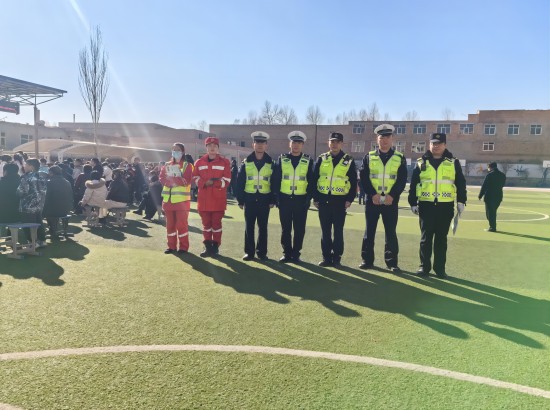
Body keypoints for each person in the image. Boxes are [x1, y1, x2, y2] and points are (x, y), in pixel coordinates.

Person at [408, 132, 467, 279]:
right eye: (433, 143)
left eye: (439, 144)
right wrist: (412, 202)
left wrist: (461, 201)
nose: (436, 146)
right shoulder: (421, 162)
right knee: (425, 239)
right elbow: (414, 183)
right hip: (426, 206)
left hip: (445, 207)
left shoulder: (453, 162)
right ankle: (424, 267)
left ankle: (440, 269)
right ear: (429, 145)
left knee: (441, 239)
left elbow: (461, 182)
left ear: (445, 145)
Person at [359, 124, 408, 272]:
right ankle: (367, 260)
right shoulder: (369, 157)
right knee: (369, 232)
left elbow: (402, 179)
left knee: (390, 233)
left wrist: (392, 195)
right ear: (377, 139)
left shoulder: (399, 157)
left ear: (392, 139)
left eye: (387, 137)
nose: (384, 140)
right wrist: (372, 194)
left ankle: (392, 263)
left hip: (390, 202)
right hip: (372, 201)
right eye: (382, 137)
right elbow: (364, 178)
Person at [312, 132, 357, 267]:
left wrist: (350, 199)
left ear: (342, 144)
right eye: (332, 142)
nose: (334, 144)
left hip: (340, 202)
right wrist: (315, 198)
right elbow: (314, 179)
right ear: (328, 143)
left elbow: (353, 181)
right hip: (323, 201)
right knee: (325, 232)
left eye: (337, 142)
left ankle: (337, 258)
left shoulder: (348, 160)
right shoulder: (322, 158)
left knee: (338, 231)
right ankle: (326, 258)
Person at [271, 130, 314, 263]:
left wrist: (308, 198)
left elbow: (312, 181)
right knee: (286, 229)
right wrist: (276, 197)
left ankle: (296, 254)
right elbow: (276, 179)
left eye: (299, 143)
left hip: (301, 200)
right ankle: (286, 253)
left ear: (302, 145)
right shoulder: (282, 159)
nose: (296, 145)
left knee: (299, 229)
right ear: (290, 144)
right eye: (294, 142)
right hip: (285, 199)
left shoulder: (308, 160)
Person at [236, 131, 276, 261]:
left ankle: (262, 253)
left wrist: (273, 199)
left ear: (266, 145)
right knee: (249, 227)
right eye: (257, 142)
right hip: (250, 198)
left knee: (263, 227)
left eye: (262, 142)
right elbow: (240, 182)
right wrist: (240, 200)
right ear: (253, 144)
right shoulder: (246, 162)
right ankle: (249, 252)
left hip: (265, 199)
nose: (260, 145)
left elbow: (274, 182)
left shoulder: (271, 163)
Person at [192, 136, 231, 257]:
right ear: (206, 148)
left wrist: (213, 183)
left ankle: (215, 247)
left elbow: (227, 180)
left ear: (218, 148)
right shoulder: (198, 162)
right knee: (206, 226)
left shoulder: (225, 162)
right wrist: (204, 183)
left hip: (218, 200)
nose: (212, 148)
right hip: (203, 201)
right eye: (210, 146)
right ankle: (208, 247)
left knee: (216, 225)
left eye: (215, 146)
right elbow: (195, 178)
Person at [159, 143, 194, 254]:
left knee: (181, 225)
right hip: (168, 201)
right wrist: (174, 181)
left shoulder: (188, 166)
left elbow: (187, 181)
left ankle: (183, 247)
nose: (175, 151)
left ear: (183, 152)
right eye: (173, 149)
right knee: (170, 225)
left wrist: (172, 180)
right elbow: (162, 178)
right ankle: (171, 246)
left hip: (182, 202)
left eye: (178, 150)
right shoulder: (167, 164)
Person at [16, 158, 48, 247]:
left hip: (27, 206)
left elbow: (21, 192)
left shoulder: (26, 177)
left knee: (28, 225)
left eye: (26, 165)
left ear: (32, 167)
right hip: (39, 205)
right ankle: (42, 241)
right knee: (39, 223)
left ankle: (33, 242)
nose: (24, 166)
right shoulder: (42, 177)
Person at [42, 165, 74, 238]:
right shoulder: (67, 182)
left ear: (51, 173)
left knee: (45, 211)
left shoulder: (49, 182)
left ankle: (52, 230)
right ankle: (56, 229)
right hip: (66, 209)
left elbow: (46, 198)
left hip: (53, 210)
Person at [478, 161, 506, 232]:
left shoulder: (489, 175)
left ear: (490, 167)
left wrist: (480, 195)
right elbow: (502, 185)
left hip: (489, 196)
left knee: (489, 213)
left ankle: (492, 227)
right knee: (493, 211)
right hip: (498, 195)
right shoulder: (502, 175)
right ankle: (493, 226)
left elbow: (484, 186)